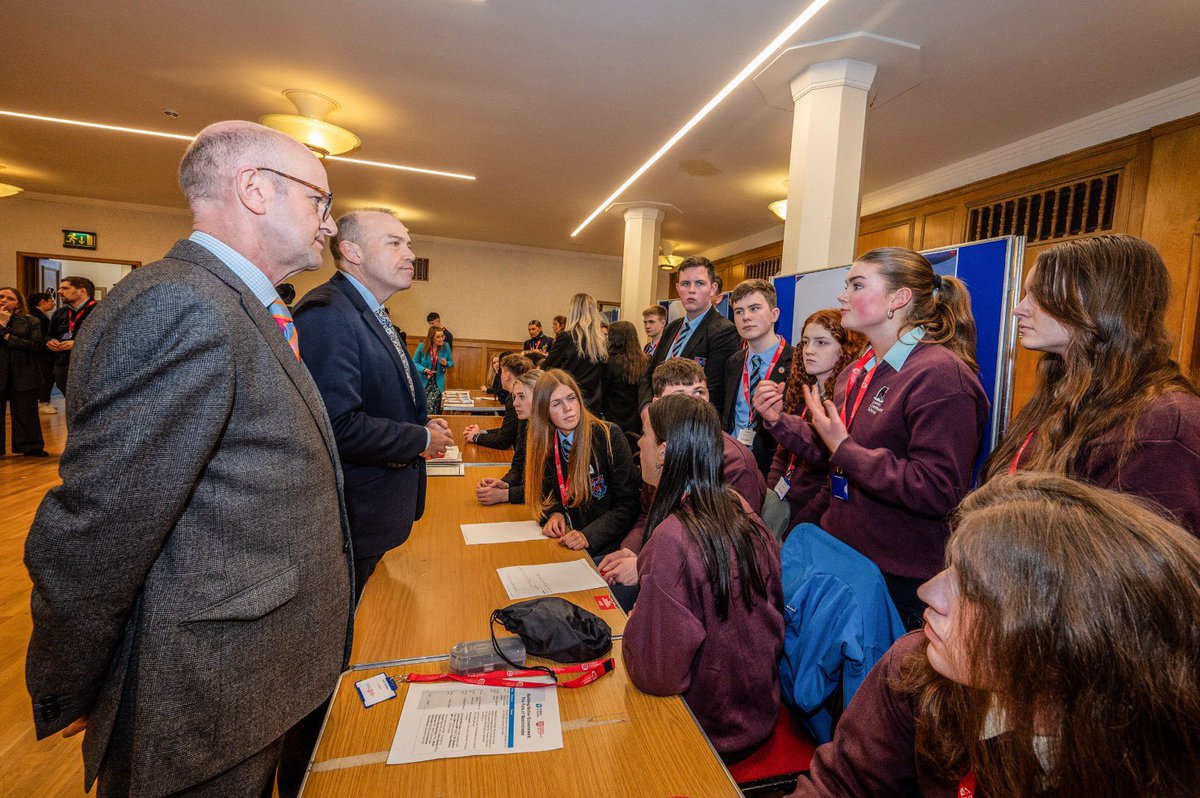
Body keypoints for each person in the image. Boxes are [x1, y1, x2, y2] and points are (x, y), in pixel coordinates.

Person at [24, 120, 353, 798]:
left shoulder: (238, 308)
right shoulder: (183, 306)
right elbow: (98, 527)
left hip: (251, 677)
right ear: (255, 189)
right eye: (321, 202)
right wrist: (79, 677)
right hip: (206, 694)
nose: (328, 226)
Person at [791, 473, 1200, 797]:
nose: (927, 592)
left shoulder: (1151, 766)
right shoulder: (915, 672)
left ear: (1059, 643)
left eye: (974, 588)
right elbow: (842, 786)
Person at [754, 247, 989, 630]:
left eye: (857, 285)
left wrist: (845, 448)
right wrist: (778, 421)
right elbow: (834, 455)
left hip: (896, 576)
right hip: (845, 554)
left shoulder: (942, 376)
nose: (842, 296)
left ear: (899, 299)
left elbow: (937, 488)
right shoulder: (858, 372)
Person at [984, 234, 1200, 534]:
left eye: (1037, 295)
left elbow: (1129, 569)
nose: (1018, 309)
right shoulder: (1065, 392)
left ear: (1096, 301)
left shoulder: (1162, 423)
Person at [293, 207, 453, 599]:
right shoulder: (328, 313)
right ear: (353, 252)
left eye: (409, 243)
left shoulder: (370, 312)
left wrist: (424, 426)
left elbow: (383, 399)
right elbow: (336, 425)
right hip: (351, 518)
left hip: (377, 513)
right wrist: (417, 440)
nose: (410, 254)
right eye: (394, 243)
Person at [622, 393, 784, 762]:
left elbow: (656, 676)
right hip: (756, 708)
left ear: (663, 451)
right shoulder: (740, 509)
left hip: (706, 729)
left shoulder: (673, 538)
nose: (639, 443)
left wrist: (637, 627)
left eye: (644, 435)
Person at [599, 358, 767, 601]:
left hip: (697, 584)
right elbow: (648, 514)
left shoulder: (735, 464)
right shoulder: (656, 450)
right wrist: (631, 550)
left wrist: (642, 566)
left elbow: (725, 555)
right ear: (658, 406)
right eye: (680, 395)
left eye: (699, 392)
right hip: (659, 558)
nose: (694, 403)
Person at [764, 309, 865, 534]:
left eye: (821, 343)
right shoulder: (800, 391)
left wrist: (801, 522)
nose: (809, 351)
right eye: (806, 342)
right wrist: (770, 496)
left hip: (812, 515)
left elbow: (831, 477)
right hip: (782, 500)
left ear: (845, 350)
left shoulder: (846, 402)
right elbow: (782, 452)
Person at [525, 369, 640, 557]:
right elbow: (546, 493)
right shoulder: (545, 443)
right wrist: (555, 513)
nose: (567, 408)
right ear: (544, 411)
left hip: (607, 545)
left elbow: (629, 504)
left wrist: (589, 536)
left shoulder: (608, 436)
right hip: (568, 539)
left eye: (571, 398)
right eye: (556, 403)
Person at [639, 256, 740, 411]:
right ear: (678, 288)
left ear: (713, 289)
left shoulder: (724, 331)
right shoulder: (671, 328)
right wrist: (646, 409)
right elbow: (648, 376)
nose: (691, 290)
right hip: (654, 416)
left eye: (699, 283)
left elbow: (713, 391)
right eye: (686, 284)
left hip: (689, 423)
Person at [722, 279, 793, 478]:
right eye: (739, 311)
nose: (746, 317)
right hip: (731, 462)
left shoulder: (796, 363)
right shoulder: (733, 362)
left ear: (774, 315)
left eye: (754, 308)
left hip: (771, 467)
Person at [476, 368, 542, 506]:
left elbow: (547, 490)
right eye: (514, 397)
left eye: (522, 397)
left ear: (540, 397)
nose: (515, 403)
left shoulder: (555, 433)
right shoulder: (525, 422)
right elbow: (519, 465)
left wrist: (506, 495)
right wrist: (506, 483)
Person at [0, 286, 47, 456]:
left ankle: (30, 446)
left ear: (18, 303)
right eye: (1, 296)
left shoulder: (30, 321)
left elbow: (36, 346)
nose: (4, 300)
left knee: (26, 412)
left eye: (10, 298)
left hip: (24, 372)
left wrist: (6, 335)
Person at [541, 292, 608, 413]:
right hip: (594, 404)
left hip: (569, 402)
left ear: (573, 312)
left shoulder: (567, 338)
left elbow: (547, 369)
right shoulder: (602, 342)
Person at [45, 275, 98, 398]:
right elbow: (49, 335)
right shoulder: (59, 313)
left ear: (82, 291)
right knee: (70, 402)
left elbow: (108, 338)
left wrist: (77, 344)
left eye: (65, 288)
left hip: (89, 366)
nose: (59, 292)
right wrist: (50, 342)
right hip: (62, 364)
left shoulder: (99, 311)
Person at [466, 353, 532, 449]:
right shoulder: (515, 396)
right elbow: (508, 430)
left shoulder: (515, 400)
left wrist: (476, 437)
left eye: (501, 372)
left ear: (507, 376)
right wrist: (482, 432)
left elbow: (503, 441)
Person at [601, 319, 648, 446]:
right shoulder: (645, 362)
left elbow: (601, 393)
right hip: (637, 423)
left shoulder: (608, 363)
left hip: (613, 422)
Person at [28, 290, 57, 413]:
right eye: (52, 301)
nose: (54, 304)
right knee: (46, 378)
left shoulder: (29, 314)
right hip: (43, 355)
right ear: (42, 302)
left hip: (33, 354)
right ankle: (43, 403)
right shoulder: (40, 318)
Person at [414, 325, 453, 414]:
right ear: (432, 338)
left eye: (442, 336)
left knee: (433, 407)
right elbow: (414, 363)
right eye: (438, 337)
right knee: (424, 407)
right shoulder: (422, 346)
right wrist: (424, 369)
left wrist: (446, 363)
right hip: (424, 381)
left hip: (437, 382)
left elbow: (451, 363)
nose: (441, 339)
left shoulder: (446, 346)